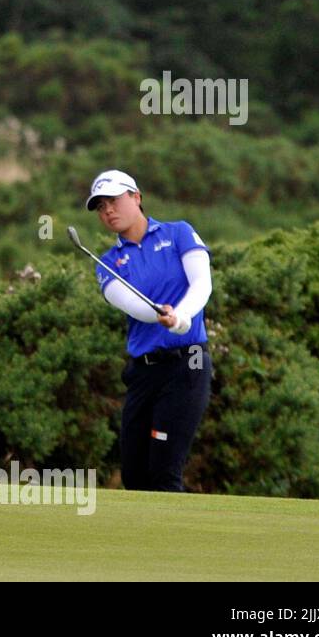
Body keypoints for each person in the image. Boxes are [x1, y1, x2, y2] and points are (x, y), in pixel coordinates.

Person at [84, 169, 212, 492]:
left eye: (113, 201)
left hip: (187, 365)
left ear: (136, 197)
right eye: (100, 207)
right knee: (134, 474)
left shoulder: (179, 233)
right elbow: (129, 303)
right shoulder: (109, 262)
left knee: (164, 473)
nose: (108, 211)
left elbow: (202, 283)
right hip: (143, 373)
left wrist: (181, 317)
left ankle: (180, 542)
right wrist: (160, 316)